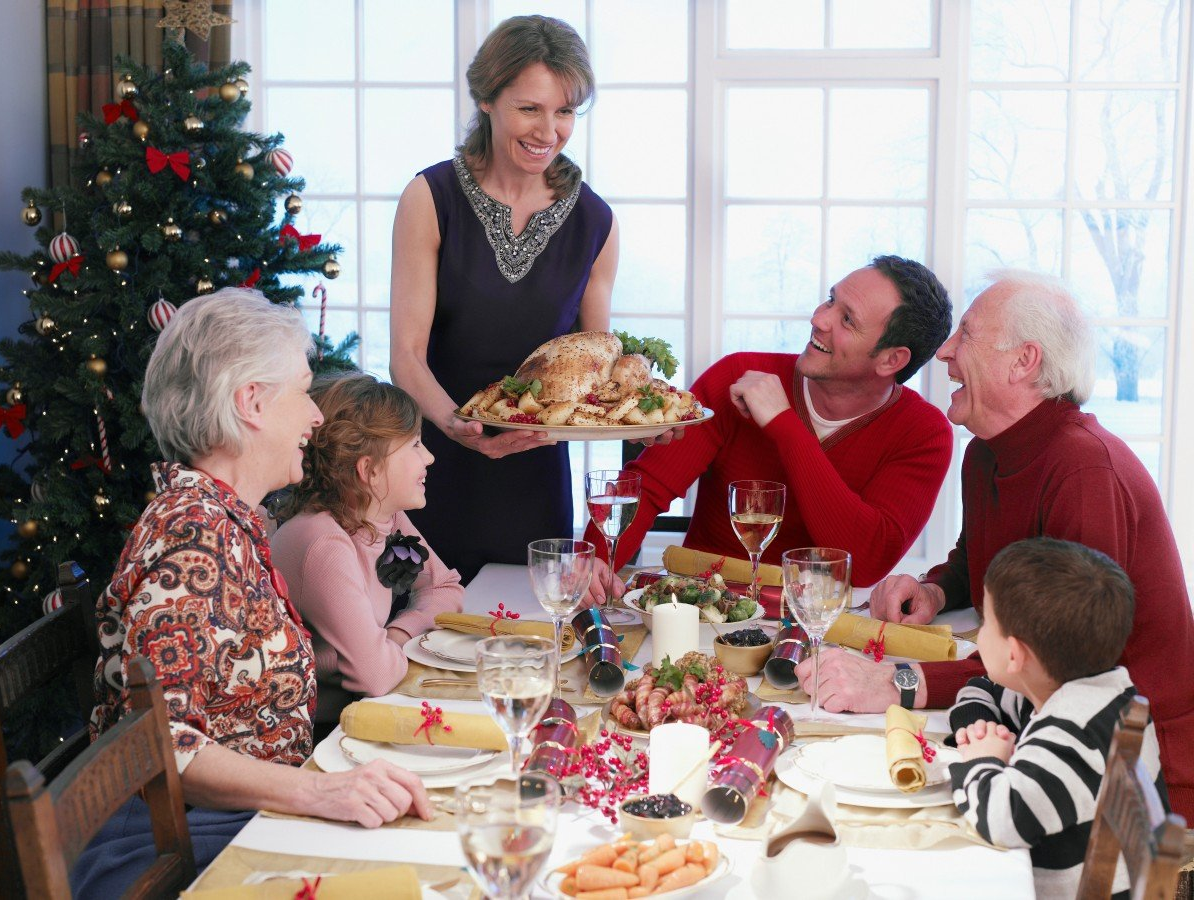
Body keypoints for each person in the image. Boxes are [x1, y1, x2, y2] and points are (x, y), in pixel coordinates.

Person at [803, 270, 1194, 820]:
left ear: (1023, 361)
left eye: (965, 334)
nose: (943, 352)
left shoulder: (1083, 470)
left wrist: (897, 682)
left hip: (1130, 777)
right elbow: (978, 557)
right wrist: (934, 591)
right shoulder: (986, 453)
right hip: (1037, 727)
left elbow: (1058, 661)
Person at [80, 290, 431, 897]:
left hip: (229, 820)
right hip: (176, 846)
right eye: (301, 390)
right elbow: (166, 741)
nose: (316, 417)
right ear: (252, 403)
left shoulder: (229, 520)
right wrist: (319, 789)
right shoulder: (193, 540)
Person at [390, 15, 619, 584]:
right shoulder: (430, 197)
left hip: (536, 485)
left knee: (532, 651)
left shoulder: (596, 221)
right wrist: (458, 425)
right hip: (433, 473)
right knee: (428, 651)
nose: (550, 130)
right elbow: (406, 356)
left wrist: (640, 413)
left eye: (565, 111)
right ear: (487, 99)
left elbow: (595, 365)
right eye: (530, 108)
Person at [583, 255, 954, 596]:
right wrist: (595, 563)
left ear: (891, 360)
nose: (819, 319)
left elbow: (867, 562)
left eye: (847, 319)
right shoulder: (737, 376)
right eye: (830, 300)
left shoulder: (924, 433)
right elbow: (644, 491)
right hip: (700, 611)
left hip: (816, 626)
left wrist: (784, 424)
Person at [949, 537, 1168, 899]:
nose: (978, 632)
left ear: (1015, 655)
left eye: (985, 621)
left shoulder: (1067, 740)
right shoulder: (1104, 696)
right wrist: (980, 723)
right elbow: (982, 690)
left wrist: (983, 757)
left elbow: (1001, 819)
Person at [270, 372, 463, 725]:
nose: (430, 458)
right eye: (415, 445)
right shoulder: (323, 542)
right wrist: (386, 649)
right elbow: (376, 676)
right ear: (369, 470)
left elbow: (446, 588)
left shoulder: (380, 514)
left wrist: (397, 634)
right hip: (316, 735)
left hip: (361, 712)